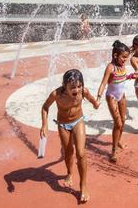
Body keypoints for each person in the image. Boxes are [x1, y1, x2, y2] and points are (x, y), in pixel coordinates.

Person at [40, 69, 99, 203]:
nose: (77, 90)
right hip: (63, 125)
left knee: (81, 153)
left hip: (78, 122)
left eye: (79, 86)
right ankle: (69, 173)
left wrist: (96, 104)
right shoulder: (56, 94)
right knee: (68, 152)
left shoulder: (84, 91)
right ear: (64, 85)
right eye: (73, 87)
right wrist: (44, 125)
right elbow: (45, 107)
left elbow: (91, 99)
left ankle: (83, 186)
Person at [96, 40, 138, 162]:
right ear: (115, 55)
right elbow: (104, 83)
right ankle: (113, 150)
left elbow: (122, 78)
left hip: (122, 96)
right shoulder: (111, 67)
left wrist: (131, 76)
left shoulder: (122, 65)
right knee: (118, 123)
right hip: (112, 97)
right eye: (123, 57)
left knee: (123, 120)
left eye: (127, 57)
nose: (125, 60)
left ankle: (118, 141)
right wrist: (98, 98)